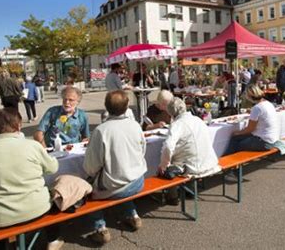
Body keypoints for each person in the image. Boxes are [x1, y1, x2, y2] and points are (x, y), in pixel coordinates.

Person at [0, 108, 63, 250]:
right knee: (52, 195)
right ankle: (53, 239)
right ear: (19, 125)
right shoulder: (32, 145)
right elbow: (53, 168)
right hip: (37, 209)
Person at [83, 90, 147, 244]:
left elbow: (91, 167)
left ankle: (100, 228)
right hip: (138, 181)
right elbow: (142, 151)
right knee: (122, 178)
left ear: (106, 107)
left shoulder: (101, 130)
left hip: (118, 186)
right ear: (126, 107)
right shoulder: (135, 125)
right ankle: (132, 214)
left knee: (88, 190)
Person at [159, 97, 220, 177]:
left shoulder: (177, 125)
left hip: (193, 167)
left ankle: (175, 189)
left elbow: (168, 146)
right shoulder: (198, 120)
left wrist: (164, 164)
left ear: (171, 113)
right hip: (210, 162)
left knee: (165, 170)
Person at [227, 85, 280, 154]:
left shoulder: (257, 108)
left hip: (265, 142)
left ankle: (228, 160)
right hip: (273, 138)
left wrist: (237, 133)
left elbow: (250, 129)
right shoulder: (268, 104)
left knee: (235, 142)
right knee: (237, 138)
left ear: (250, 96)